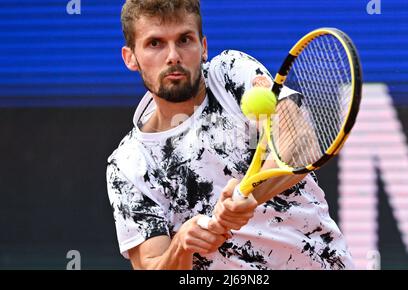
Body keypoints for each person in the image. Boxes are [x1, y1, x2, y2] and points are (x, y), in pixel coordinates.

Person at [106, 0, 354, 270]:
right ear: (130, 57)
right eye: (155, 43)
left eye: (184, 40)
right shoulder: (129, 165)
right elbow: (150, 265)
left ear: (203, 47)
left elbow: (299, 143)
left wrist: (248, 196)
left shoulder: (231, 73)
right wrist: (181, 245)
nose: (173, 56)